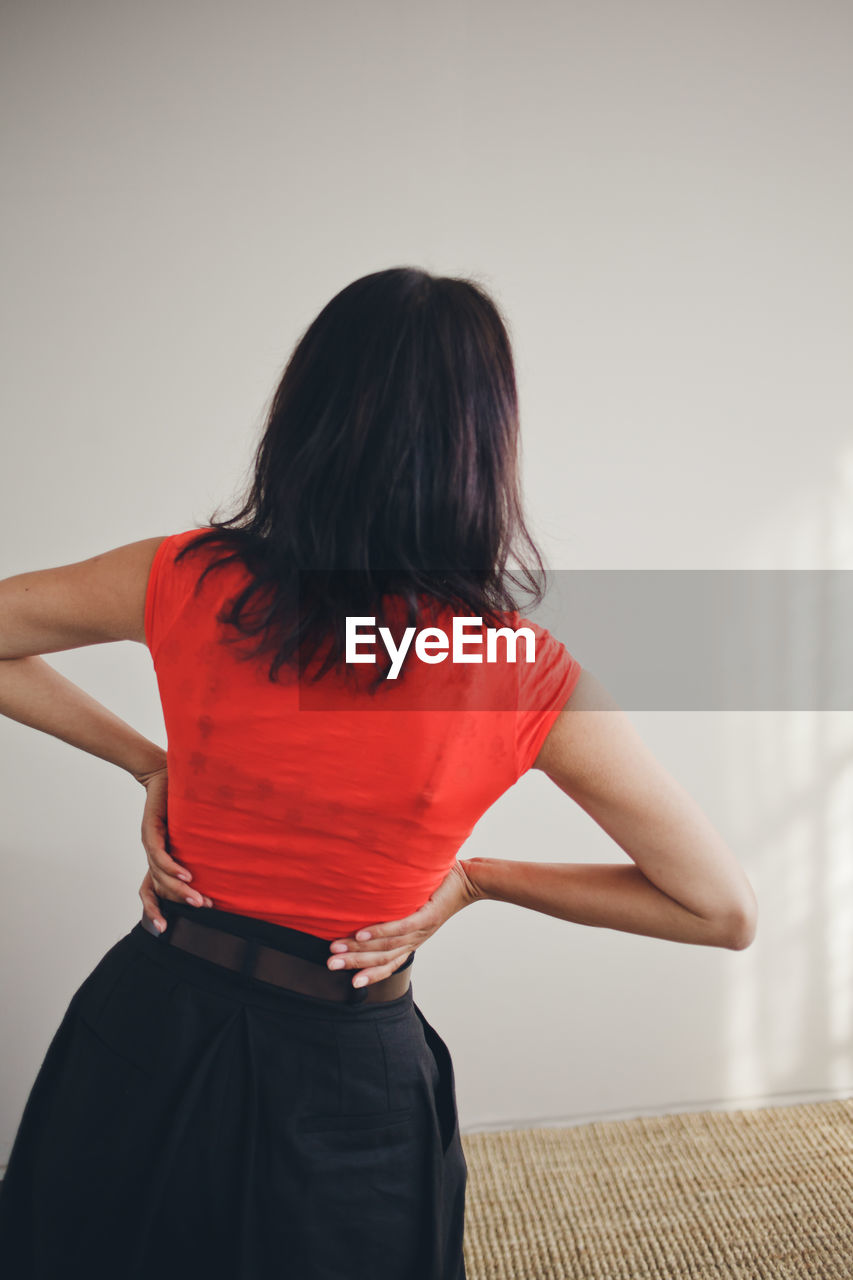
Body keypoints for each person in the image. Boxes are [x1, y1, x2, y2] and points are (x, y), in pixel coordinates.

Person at [0, 266, 758, 1280]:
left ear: (304, 413)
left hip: (147, 1021)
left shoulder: (184, 576)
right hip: (344, 1070)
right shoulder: (519, 672)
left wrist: (150, 764)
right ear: (481, 446)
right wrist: (479, 877)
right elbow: (720, 910)